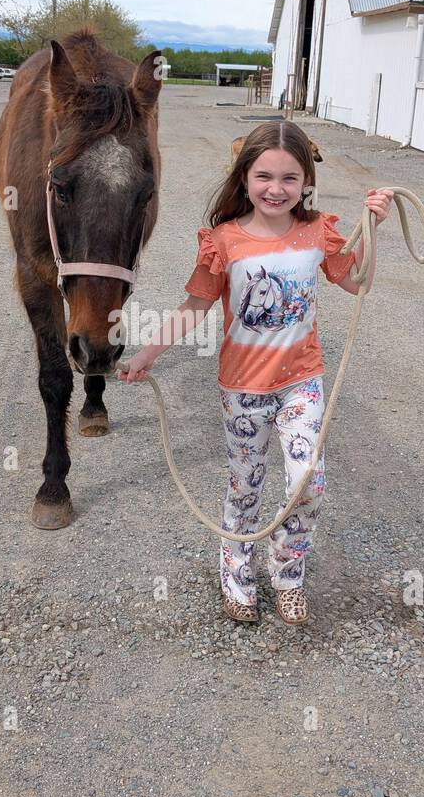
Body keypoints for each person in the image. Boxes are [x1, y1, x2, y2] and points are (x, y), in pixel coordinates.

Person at [117, 120, 393, 627]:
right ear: (244, 176)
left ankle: (288, 576)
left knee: (309, 482)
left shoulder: (318, 234)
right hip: (242, 389)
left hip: (301, 381)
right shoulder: (224, 241)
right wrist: (146, 354)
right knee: (246, 484)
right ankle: (237, 574)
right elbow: (195, 305)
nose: (276, 188)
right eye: (264, 175)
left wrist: (376, 227)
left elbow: (358, 284)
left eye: (290, 179)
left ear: (306, 182)